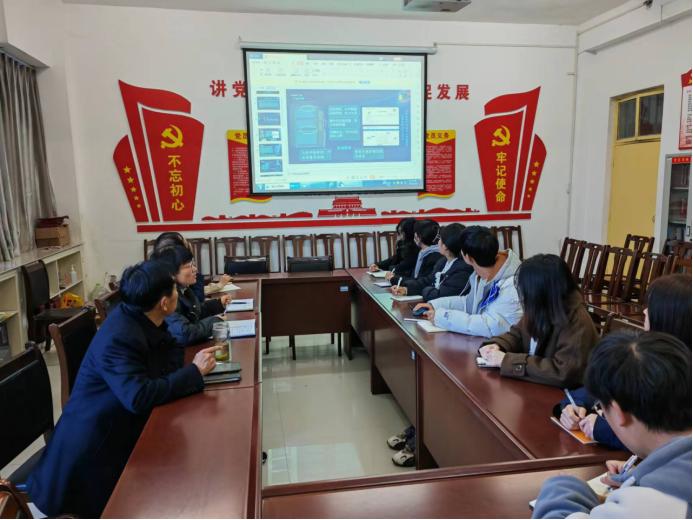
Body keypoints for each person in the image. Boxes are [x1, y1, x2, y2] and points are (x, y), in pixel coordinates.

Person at [27, 261, 220, 518]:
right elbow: (138, 397)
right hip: (91, 457)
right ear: (164, 303)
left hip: (120, 428)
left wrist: (176, 375)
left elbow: (171, 351)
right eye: (175, 289)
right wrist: (193, 372)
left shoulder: (140, 316)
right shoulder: (120, 335)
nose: (178, 293)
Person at [533, 332, 692, 519]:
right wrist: (641, 478)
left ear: (618, 413)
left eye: (603, 408)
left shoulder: (646, 507)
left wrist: (563, 487)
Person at [555, 274, 692, 450]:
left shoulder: (678, 375)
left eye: (650, 307)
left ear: (670, 318)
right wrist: (571, 406)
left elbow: (666, 438)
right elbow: (598, 387)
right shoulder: (646, 356)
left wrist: (602, 428)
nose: (644, 312)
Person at [477, 254, 599, 387]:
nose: (522, 296)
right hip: (540, 387)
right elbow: (518, 334)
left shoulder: (576, 321)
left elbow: (563, 373)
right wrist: (497, 345)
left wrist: (506, 361)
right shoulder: (543, 306)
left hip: (565, 396)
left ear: (540, 291)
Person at [414, 225, 523, 339]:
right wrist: (434, 305)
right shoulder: (479, 275)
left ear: (468, 258)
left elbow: (490, 326)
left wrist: (444, 317)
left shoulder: (511, 284)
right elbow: (468, 303)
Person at [150, 245, 230, 346]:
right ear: (172, 273)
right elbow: (186, 333)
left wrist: (218, 304)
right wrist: (216, 322)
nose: (195, 269)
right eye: (189, 266)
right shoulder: (167, 298)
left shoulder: (185, 290)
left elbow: (195, 313)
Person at [391, 223, 474, 302]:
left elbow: (440, 295)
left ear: (445, 246)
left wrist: (427, 290)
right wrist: (407, 289)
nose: (438, 242)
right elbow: (428, 280)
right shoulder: (443, 261)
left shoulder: (463, 269)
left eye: (440, 239)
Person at [153, 232, 234, 302]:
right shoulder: (168, 289)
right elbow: (198, 300)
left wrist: (218, 287)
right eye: (186, 245)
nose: (189, 246)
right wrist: (219, 286)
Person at [389, 219, 443, 288]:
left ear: (418, 237)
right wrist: (395, 274)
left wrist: (394, 279)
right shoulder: (423, 252)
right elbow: (414, 274)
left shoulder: (434, 257)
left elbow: (421, 282)